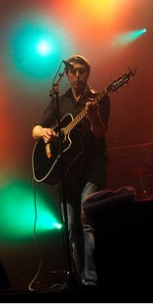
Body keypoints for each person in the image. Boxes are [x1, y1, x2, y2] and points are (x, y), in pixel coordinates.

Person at [32, 54, 110, 287]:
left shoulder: (97, 98)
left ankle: (92, 279)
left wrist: (94, 114)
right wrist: (44, 133)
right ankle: (81, 276)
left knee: (87, 217)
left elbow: (98, 133)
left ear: (88, 74)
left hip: (92, 168)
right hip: (68, 171)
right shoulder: (60, 100)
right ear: (66, 75)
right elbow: (36, 128)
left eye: (81, 72)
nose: (77, 76)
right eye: (72, 72)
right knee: (71, 226)